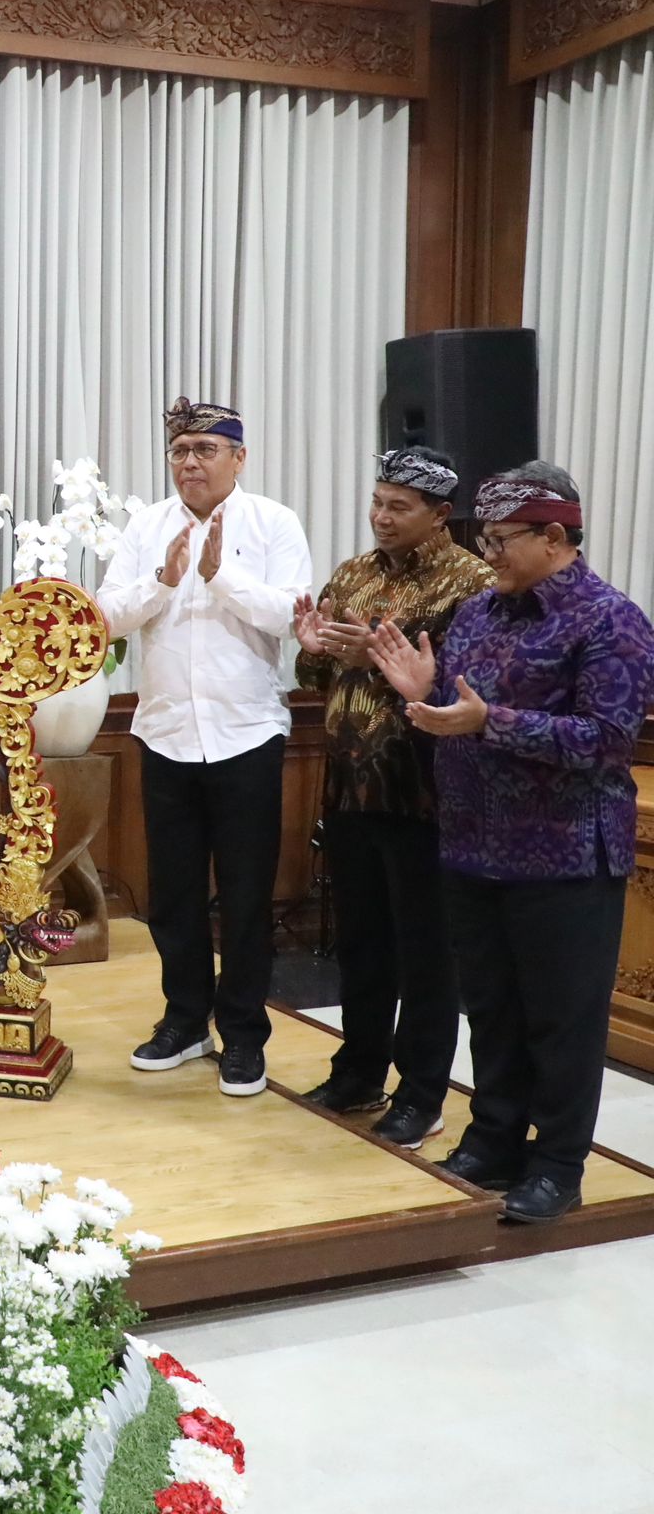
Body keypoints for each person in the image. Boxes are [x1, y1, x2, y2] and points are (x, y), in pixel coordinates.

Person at [372, 461, 654, 1222]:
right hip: (472, 847)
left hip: (563, 854)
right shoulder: (480, 613)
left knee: (561, 1019)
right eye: (485, 538)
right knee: (491, 1008)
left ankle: (558, 1164)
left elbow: (604, 739)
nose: (488, 553)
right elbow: (454, 705)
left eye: (501, 539)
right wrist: (423, 693)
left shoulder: (610, 620)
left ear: (555, 536)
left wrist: (488, 722)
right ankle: (494, 1137)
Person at [97, 397, 312, 1096]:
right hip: (164, 734)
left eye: (206, 450)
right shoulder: (147, 527)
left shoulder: (273, 523)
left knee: (248, 896)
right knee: (174, 894)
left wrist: (222, 576)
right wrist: (163, 581)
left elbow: (291, 615)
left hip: (247, 733)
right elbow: (104, 616)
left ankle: (244, 1036)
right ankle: (185, 1021)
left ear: (239, 457)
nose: (190, 463)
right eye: (180, 451)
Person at [293, 450, 492, 1147]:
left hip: (424, 792)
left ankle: (422, 1091)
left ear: (440, 515)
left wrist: (376, 661)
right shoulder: (353, 573)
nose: (381, 516)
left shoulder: (473, 583)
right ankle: (357, 1071)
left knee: (424, 951)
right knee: (362, 942)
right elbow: (314, 670)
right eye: (377, 501)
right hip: (350, 785)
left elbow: (469, 686)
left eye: (398, 506)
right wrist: (314, 646)